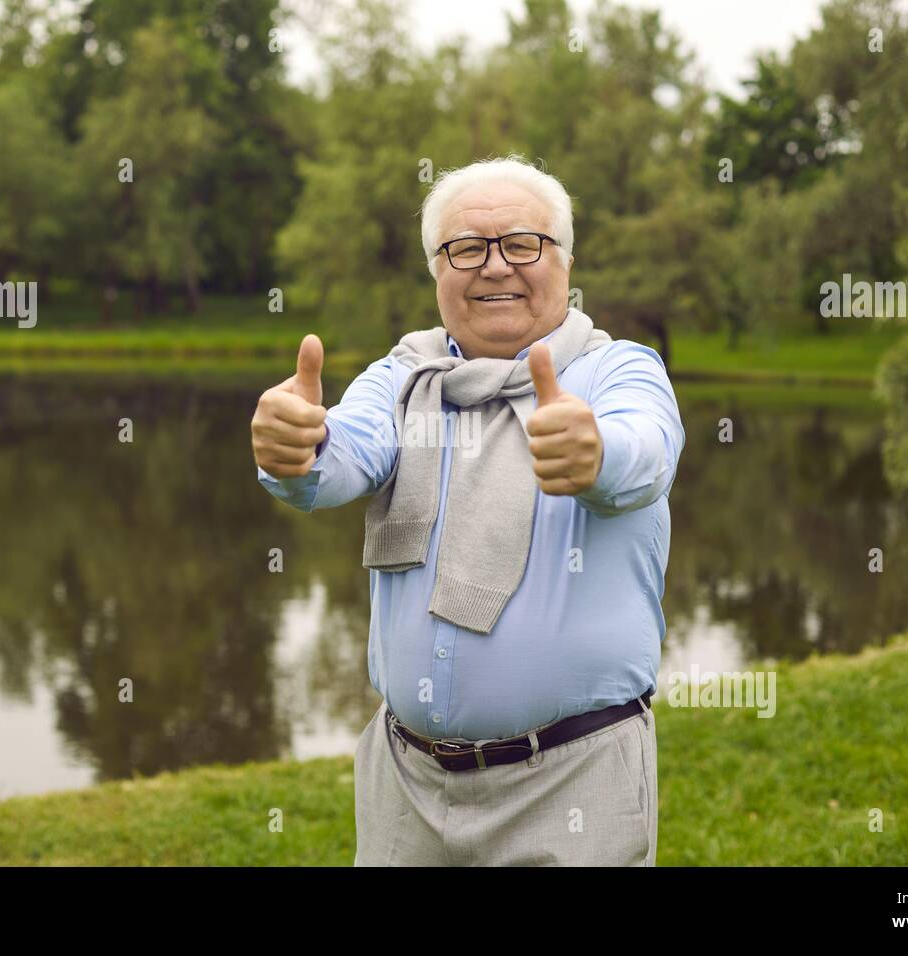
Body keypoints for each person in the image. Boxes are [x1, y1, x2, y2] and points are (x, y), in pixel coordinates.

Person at [252, 155, 684, 865]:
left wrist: (595, 453)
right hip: (406, 786)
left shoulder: (618, 372)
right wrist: (293, 449)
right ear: (436, 270)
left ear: (566, 262)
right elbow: (343, 457)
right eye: (466, 249)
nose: (494, 267)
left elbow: (645, 455)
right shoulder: (403, 377)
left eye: (522, 244)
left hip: (574, 781)